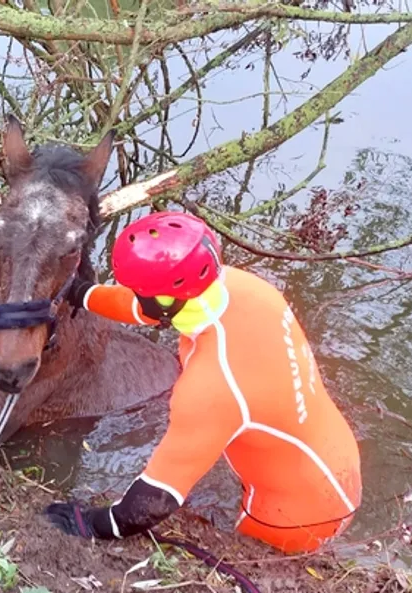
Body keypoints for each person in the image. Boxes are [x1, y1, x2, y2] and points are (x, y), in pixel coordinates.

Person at [44, 211, 362, 554]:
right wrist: (82, 293)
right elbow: (149, 306)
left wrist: (90, 523)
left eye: (137, 289)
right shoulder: (243, 287)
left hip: (296, 518)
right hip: (334, 455)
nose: (134, 294)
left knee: (246, 556)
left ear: (165, 300)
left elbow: (154, 501)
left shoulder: (210, 388)